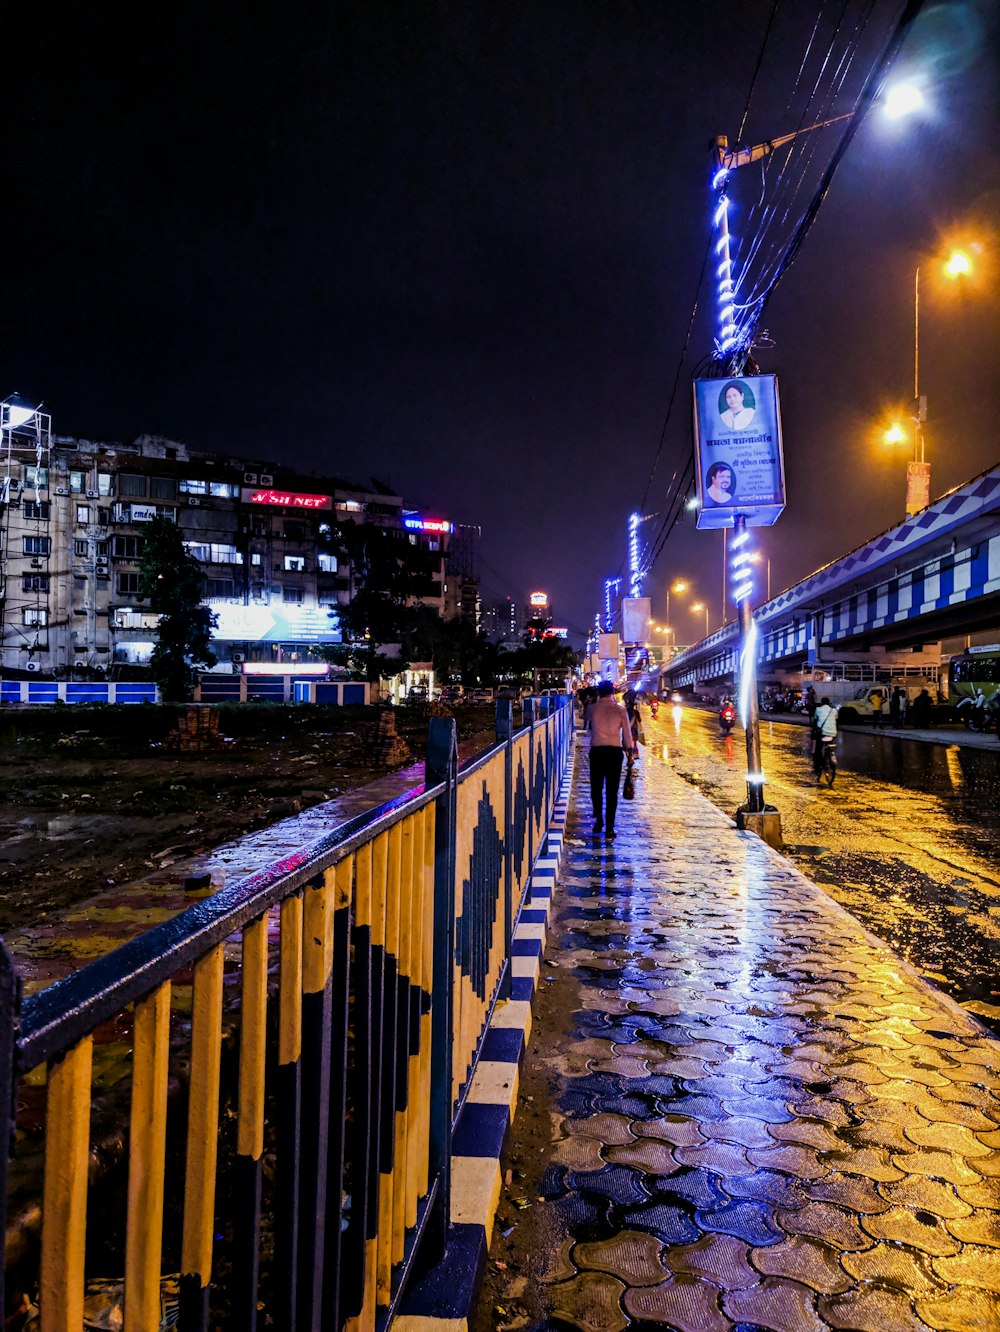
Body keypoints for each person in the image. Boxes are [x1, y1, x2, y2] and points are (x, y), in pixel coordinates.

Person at [586, 680, 634, 839]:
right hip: (614, 753)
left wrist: (590, 700)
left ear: (599, 693)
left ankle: (599, 820)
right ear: (613, 692)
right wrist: (630, 754)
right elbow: (627, 737)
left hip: (597, 752)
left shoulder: (592, 708)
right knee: (612, 792)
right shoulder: (620, 710)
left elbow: (585, 722)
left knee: (596, 788)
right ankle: (610, 829)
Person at [812, 695, 839, 779]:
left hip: (822, 733)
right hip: (833, 734)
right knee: (829, 746)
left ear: (821, 703)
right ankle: (829, 758)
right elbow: (837, 721)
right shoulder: (834, 710)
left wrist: (813, 732)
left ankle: (818, 767)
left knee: (818, 750)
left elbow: (815, 723)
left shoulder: (818, 709)